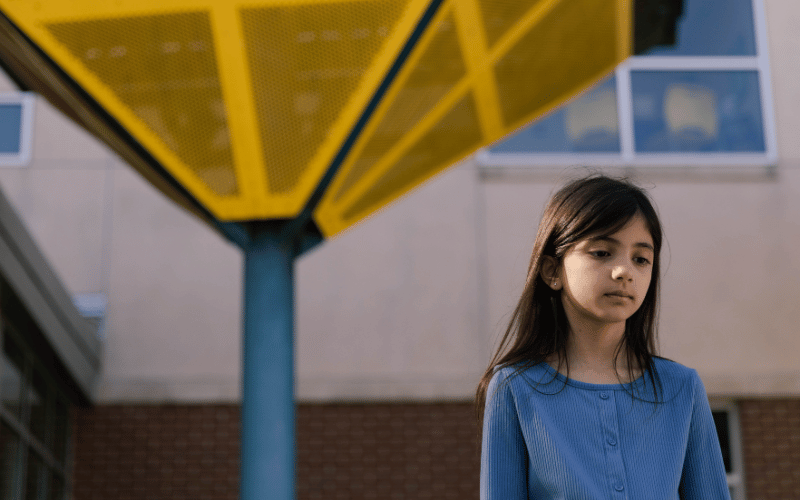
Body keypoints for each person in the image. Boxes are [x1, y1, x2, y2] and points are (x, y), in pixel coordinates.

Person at [476, 174, 730, 499]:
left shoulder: (682, 388)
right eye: (601, 252)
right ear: (552, 271)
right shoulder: (514, 387)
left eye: (641, 259)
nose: (624, 271)